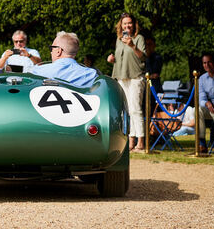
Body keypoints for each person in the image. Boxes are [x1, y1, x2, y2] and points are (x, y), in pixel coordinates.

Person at [107, 13, 146, 152]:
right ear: (121, 25)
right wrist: (112, 59)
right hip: (121, 77)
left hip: (135, 77)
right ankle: (131, 140)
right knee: (127, 111)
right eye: (124, 23)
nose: (127, 26)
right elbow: (120, 58)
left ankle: (141, 141)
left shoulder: (139, 38)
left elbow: (143, 57)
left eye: (129, 23)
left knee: (136, 109)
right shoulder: (119, 40)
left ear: (134, 25)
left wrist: (133, 46)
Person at [28, 31, 98, 87]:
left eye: (51, 48)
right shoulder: (91, 74)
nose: (51, 52)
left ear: (59, 51)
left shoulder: (37, 71)